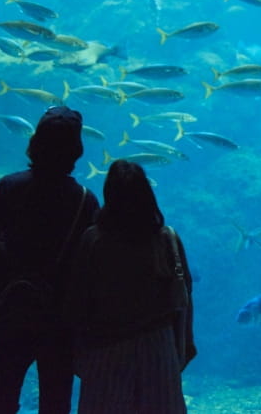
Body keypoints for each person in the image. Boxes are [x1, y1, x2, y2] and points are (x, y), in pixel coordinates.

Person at [0, 106, 100, 414]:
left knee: (2, 401)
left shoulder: (9, 187)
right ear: (76, 150)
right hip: (60, 317)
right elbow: (89, 266)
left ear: (34, 143)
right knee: (56, 403)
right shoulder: (86, 200)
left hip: (11, 308)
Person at [67, 158, 196, 414]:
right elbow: (184, 296)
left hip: (105, 348)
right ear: (146, 194)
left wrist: (76, 350)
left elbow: (76, 298)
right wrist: (184, 344)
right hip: (158, 347)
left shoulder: (93, 240)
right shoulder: (167, 239)